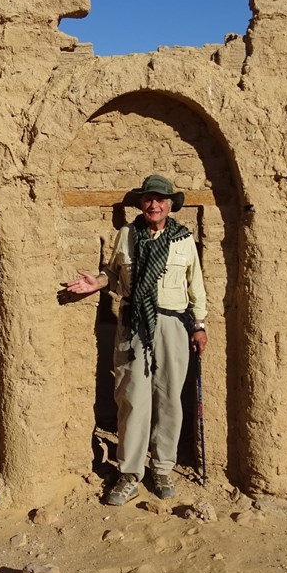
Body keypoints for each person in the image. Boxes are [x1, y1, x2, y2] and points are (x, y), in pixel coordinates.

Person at [65, 174, 208, 505]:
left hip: (173, 324)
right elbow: (114, 273)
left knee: (170, 398)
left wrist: (199, 324)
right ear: (141, 203)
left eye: (160, 199)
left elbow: (195, 285)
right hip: (133, 323)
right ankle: (130, 472)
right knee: (132, 398)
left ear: (171, 205)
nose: (154, 204)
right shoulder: (127, 235)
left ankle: (162, 466)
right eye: (148, 199)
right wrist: (99, 282)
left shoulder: (183, 240)